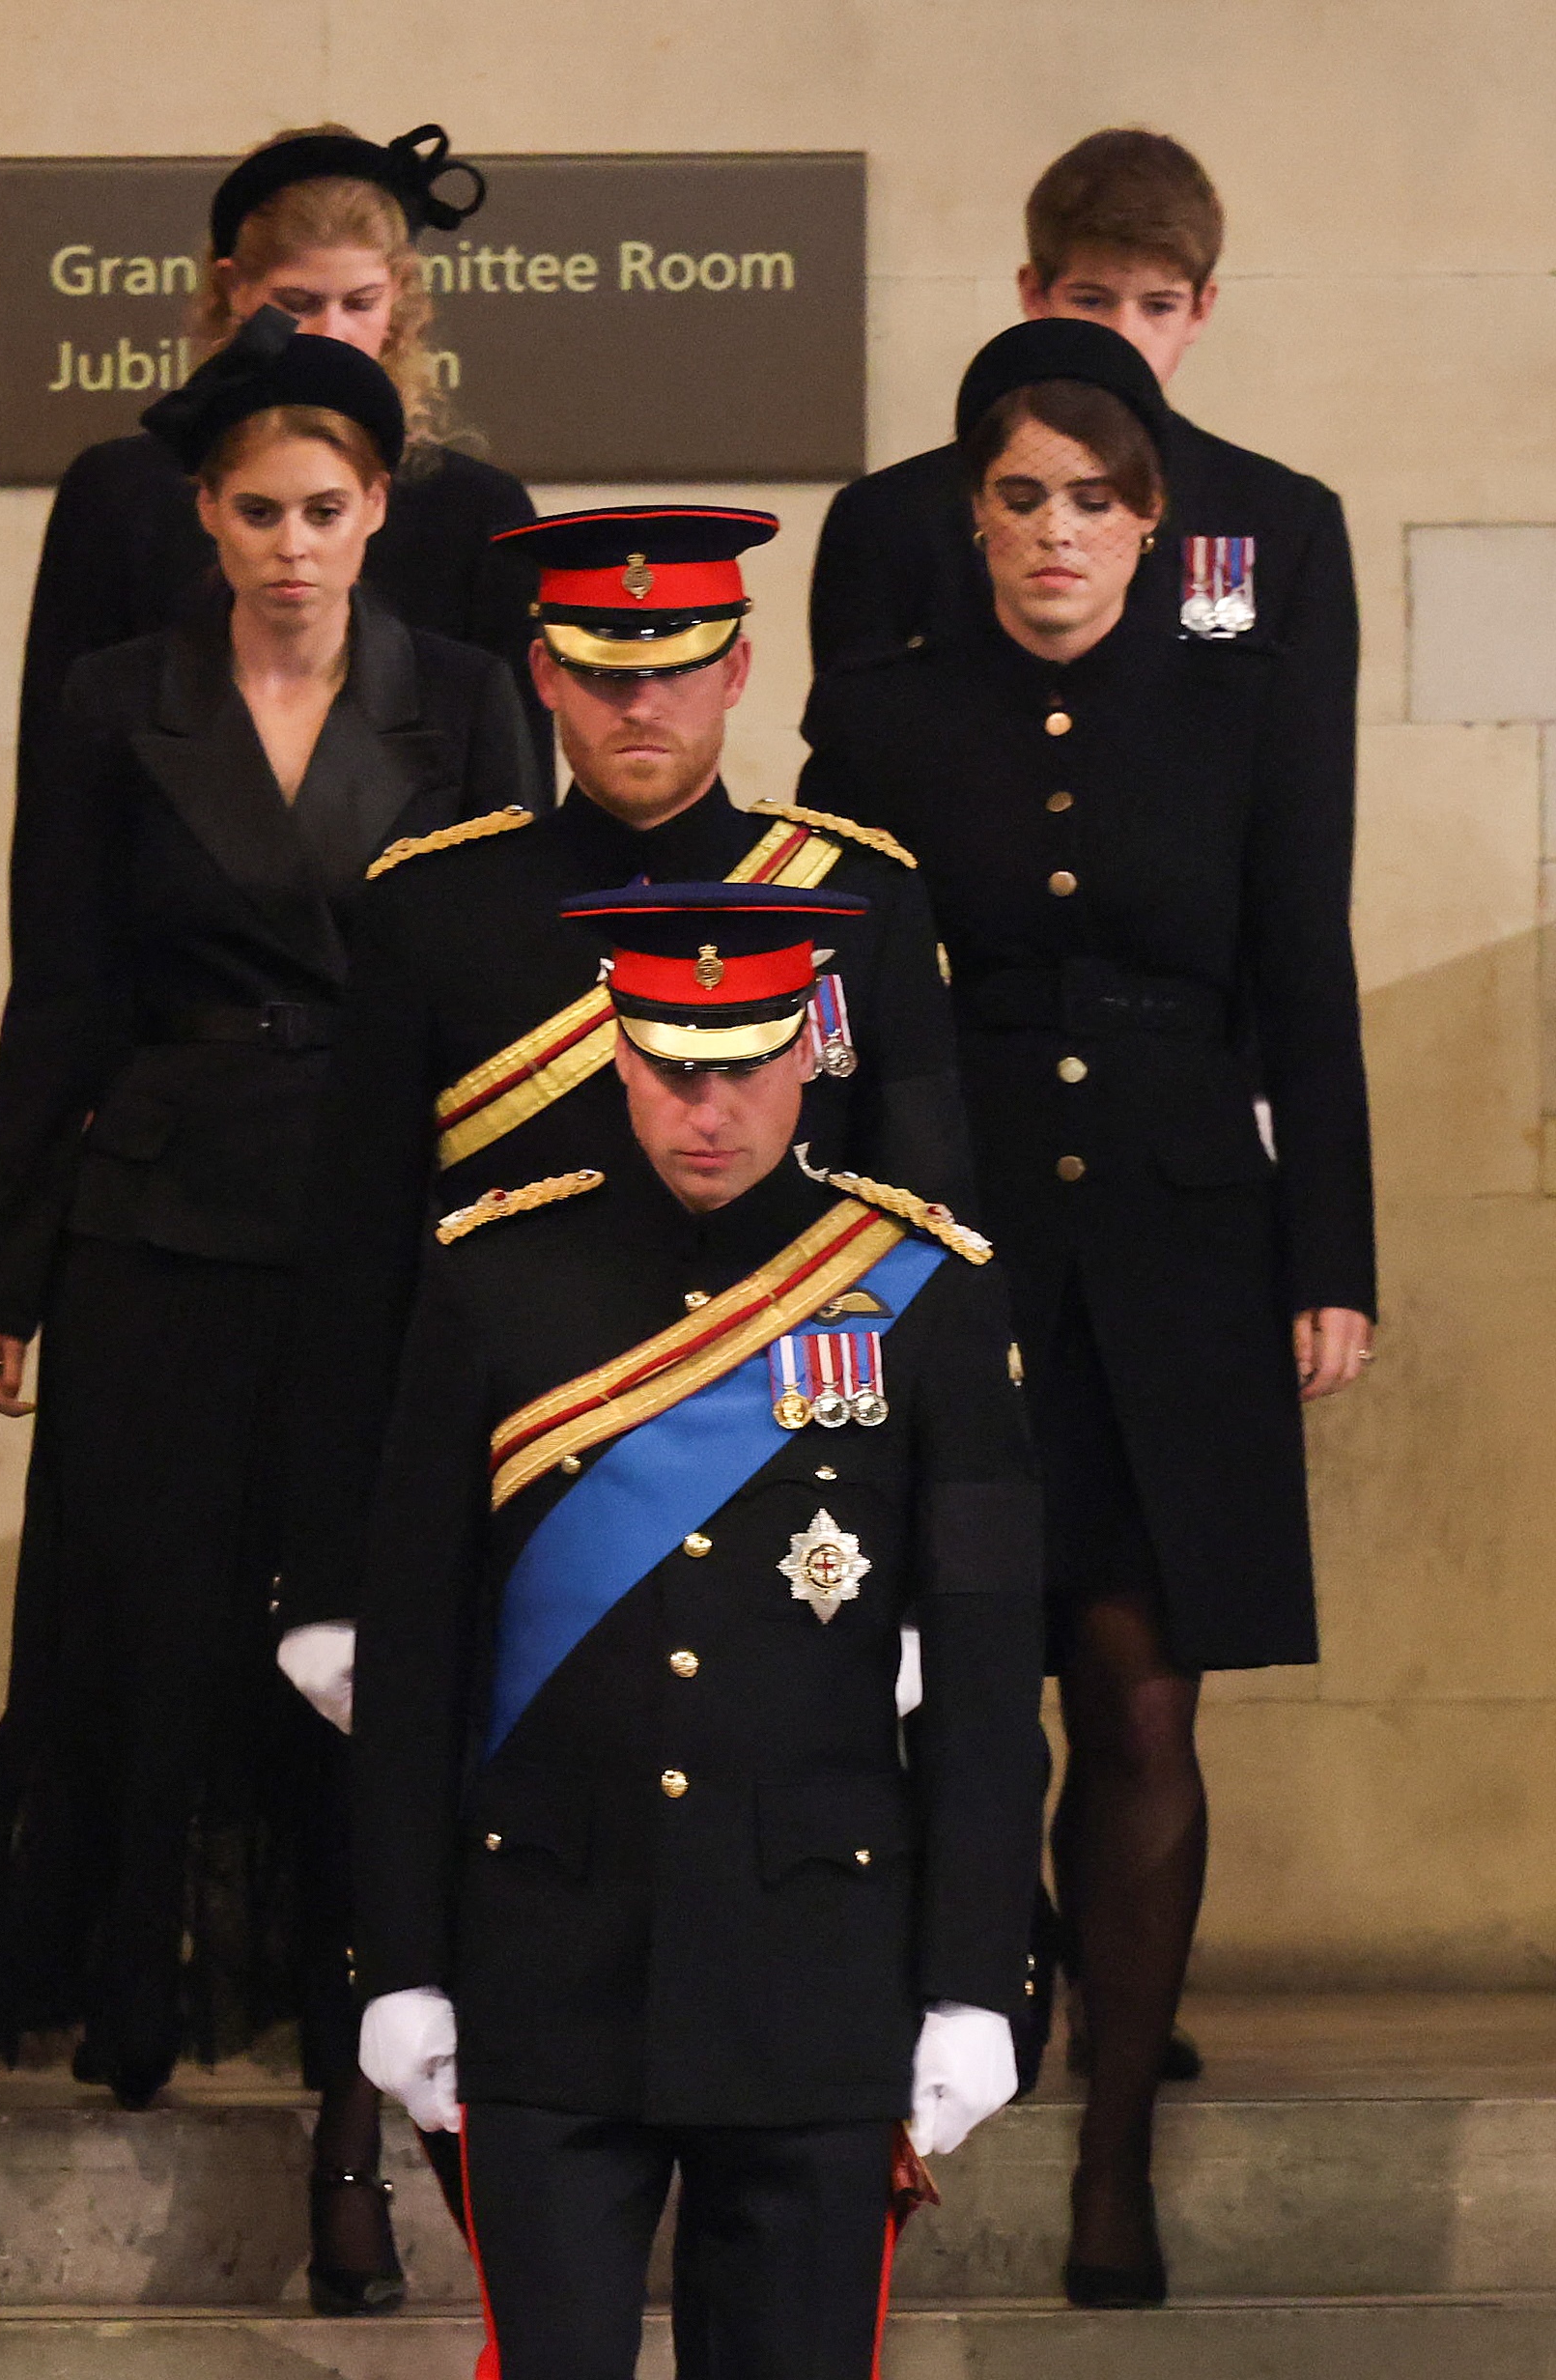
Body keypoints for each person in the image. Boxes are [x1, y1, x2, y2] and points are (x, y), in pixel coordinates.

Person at [0, 315, 530, 2309]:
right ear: (203, 514)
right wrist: (3, 1267)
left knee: (361, 1648)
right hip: (165, 1213)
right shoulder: (122, 698)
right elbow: (58, 984)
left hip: (390, 1222)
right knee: (156, 1607)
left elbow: (508, 991)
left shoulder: (461, 697)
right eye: (260, 508)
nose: (294, 542)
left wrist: (521, 1242)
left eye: (330, 508)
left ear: (382, 514)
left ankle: (349, 2124)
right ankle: (132, 1990)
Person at [796, 317, 1379, 2305]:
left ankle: (1115, 2151)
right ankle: (951, 2037)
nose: (1059, 533)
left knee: (1137, 1687)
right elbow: (820, 994)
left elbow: (1306, 977)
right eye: (1023, 499)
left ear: (1152, 524)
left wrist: (1334, 1259)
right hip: (945, 1236)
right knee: (939, 1674)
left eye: (1097, 501)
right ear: (974, 523)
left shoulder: (1238, 706)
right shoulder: (881, 716)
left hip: (1183, 1231)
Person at [351, 882, 1043, 2380]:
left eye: (742, 1067)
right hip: (546, 1957)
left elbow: (987, 1681)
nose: (708, 1110)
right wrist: (398, 1955)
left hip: (812, 1970)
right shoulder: (491, 1276)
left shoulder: (918, 1291)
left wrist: (978, 1980)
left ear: (810, 1054)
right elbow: (414, 1654)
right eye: (673, 1067)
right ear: (617, 1051)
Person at [274, 506, 973, 1686]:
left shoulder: (860, 900)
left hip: (790, 1488)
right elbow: (360, 1261)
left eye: (679, 666)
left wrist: (916, 1586)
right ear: (545, 672)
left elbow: (921, 1249)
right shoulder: (433, 909)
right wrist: (335, 1584)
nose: (641, 704)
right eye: (605, 671)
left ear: (737, 669)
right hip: (515, 1488)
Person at [18, 121, 542, 786]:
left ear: (399, 299)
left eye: (360, 303)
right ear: (234, 288)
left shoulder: (479, 512)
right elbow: (58, 772)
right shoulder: (119, 494)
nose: (330, 333)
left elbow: (516, 802)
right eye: (298, 304)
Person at [806, 127, 1355, 758]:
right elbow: (854, 780)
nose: (1123, 335)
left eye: (1159, 306)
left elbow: (1309, 794)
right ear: (1033, 293)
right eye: (1091, 300)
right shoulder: (888, 518)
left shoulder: (1278, 518)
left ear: (1202, 310)